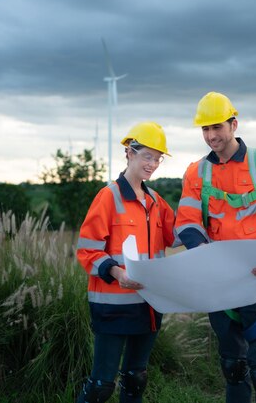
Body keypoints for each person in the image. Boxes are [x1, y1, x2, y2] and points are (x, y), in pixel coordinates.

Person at [175, 92, 256, 403]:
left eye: (217, 127)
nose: (211, 136)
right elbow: (188, 223)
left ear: (234, 124)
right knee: (232, 367)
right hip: (218, 280)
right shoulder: (196, 172)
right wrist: (205, 255)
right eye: (205, 130)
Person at [75, 121, 177, 403]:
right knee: (101, 385)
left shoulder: (157, 201)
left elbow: (179, 236)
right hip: (113, 306)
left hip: (149, 305)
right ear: (129, 153)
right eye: (147, 156)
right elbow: (88, 250)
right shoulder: (108, 197)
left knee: (135, 379)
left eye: (158, 159)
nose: (153, 164)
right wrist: (118, 273)